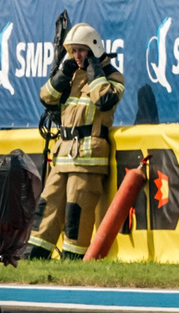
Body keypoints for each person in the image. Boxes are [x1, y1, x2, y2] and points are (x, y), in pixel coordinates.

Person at [29, 24, 125, 260]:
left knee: (77, 212)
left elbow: (105, 100)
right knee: (47, 204)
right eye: (73, 51)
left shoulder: (112, 76)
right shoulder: (71, 75)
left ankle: (73, 259)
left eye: (81, 50)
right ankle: (34, 254)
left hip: (89, 157)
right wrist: (62, 75)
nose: (77, 56)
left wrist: (94, 72)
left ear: (94, 49)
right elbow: (45, 97)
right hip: (63, 155)